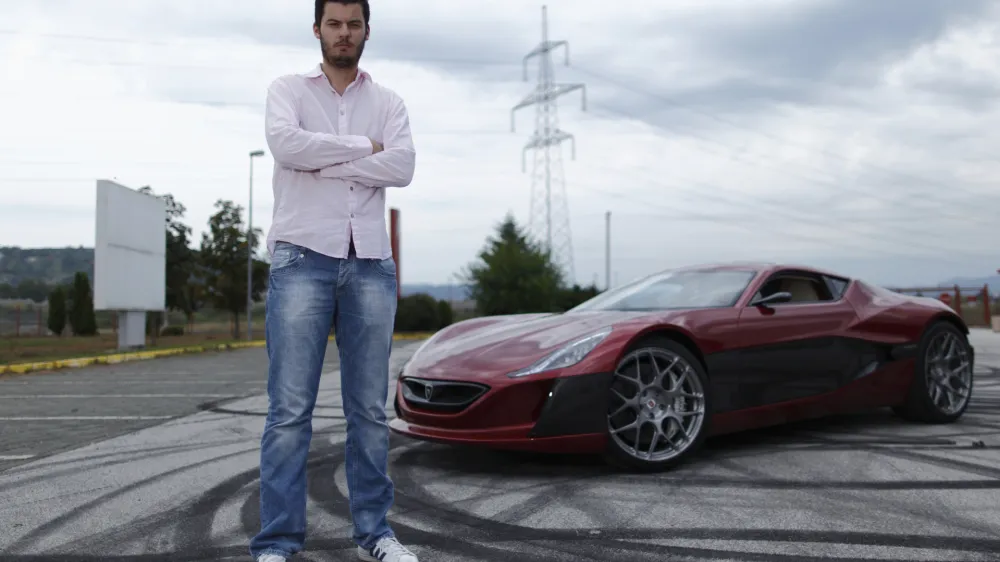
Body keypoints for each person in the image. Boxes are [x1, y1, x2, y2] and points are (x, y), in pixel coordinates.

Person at [249, 1, 417, 561]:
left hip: (370, 262)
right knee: (289, 411)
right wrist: (365, 149)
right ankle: (277, 543)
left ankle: (375, 534)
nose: (344, 33)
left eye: (354, 24)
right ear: (317, 29)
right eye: (334, 23)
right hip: (302, 258)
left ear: (367, 30)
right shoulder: (288, 91)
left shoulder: (388, 102)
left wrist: (323, 160)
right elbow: (287, 147)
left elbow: (402, 167)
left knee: (368, 411)